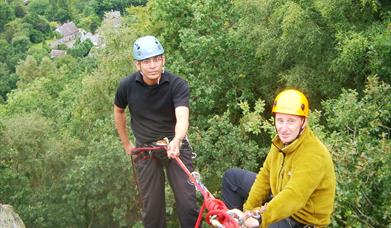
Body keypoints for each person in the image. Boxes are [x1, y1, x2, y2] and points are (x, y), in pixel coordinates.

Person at [113, 35, 199, 228]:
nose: (152, 65)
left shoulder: (177, 84)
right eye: (146, 61)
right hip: (146, 149)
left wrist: (177, 140)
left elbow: (182, 116)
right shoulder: (127, 86)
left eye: (157, 59)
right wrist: (126, 143)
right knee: (151, 210)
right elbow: (118, 110)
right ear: (138, 65)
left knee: (188, 205)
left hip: (174, 146)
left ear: (163, 60)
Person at [221, 89, 336, 228]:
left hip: (301, 220)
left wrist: (259, 218)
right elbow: (265, 176)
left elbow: (294, 196)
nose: (284, 128)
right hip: (279, 198)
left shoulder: (314, 154)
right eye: (280, 121)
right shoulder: (280, 143)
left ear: (303, 122)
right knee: (231, 178)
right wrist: (248, 212)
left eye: (291, 121)